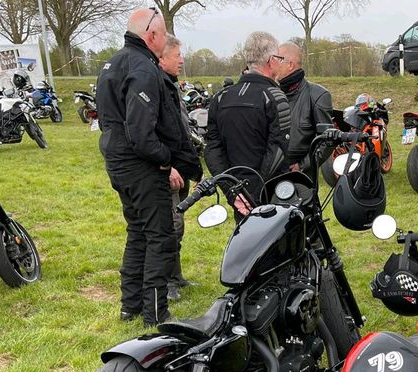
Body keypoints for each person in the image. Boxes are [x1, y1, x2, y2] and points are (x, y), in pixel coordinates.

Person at [96, 7, 202, 325]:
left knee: (138, 232)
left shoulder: (113, 63)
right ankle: (155, 311)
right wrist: (165, 159)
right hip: (138, 165)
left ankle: (131, 306)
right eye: (164, 33)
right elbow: (141, 133)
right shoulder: (141, 67)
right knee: (159, 235)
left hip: (117, 161)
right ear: (152, 35)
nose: (166, 39)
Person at [204, 31, 291, 216]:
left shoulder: (220, 98)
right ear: (271, 60)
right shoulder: (275, 97)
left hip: (238, 194)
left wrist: (233, 191)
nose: (281, 63)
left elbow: (212, 149)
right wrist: (254, 193)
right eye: (280, 58)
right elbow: (277, 150)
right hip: (270, 194)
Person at [157, 35, 199, 302]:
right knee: (170, 225)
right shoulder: (157, 87)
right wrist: (166, 166)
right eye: (177, 55)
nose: (182, 60)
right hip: (165, 170)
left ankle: (177, 274)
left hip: (179, 169)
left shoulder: (172, 86)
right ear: (162, 58)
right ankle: (166, 282)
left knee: (178, 225)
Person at [275, 41, 332, 184]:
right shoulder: (271, 94)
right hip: (271, 174)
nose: (274, 64)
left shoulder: (317, 95)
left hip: (301, 179)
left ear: (290, 64)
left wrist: (302, 166)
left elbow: (327, 140)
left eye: (278, 60)